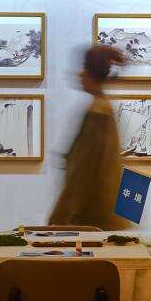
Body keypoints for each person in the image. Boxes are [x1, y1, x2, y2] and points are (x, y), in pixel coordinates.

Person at [48, 45, 129, 229]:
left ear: (90, 73)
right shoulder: (102, 108)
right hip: (102, 212)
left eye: (83, 68)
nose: (79, 74)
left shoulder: (98, 114)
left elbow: (83, 172)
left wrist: (60, 216)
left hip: (95, 215)